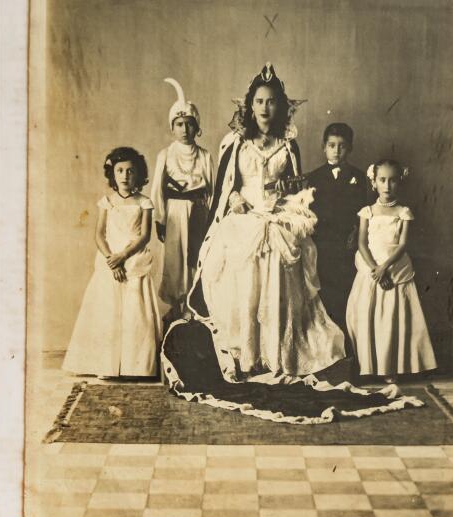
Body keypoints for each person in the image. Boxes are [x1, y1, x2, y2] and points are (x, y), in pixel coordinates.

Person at [186, 63, 346, 383]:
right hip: (244, 216)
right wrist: (234, 201)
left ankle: (275, 353)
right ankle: (246, 354)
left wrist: (287, 198)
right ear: (250, 106)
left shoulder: (288, 144)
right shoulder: (235, 143)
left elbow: (297, 191)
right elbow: (225, 188)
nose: (264, 108)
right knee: (244, 261)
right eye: (259, 101)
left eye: (271, 101)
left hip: (276, 213)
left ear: (280, 107)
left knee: (279, 251)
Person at [62, 146, 161, 378]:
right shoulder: (107, 202)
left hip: (133, 256)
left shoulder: (144, 202)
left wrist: (123, 257)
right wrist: (111, 260)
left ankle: (135, 366)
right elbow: (99, 235)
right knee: (108, 311)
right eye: (120, 170)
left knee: (135, 312)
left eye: (130, 171)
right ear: (112, 174)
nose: (125, 175)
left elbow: (145, 235)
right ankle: (105, 365)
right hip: (110, 259)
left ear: (138, 174)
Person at [346, 158, 437, 380]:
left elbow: (403, 244)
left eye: (393, 180)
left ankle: (389, 368)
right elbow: (361, 243)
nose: (387, 186)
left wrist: (385, 267)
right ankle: (368, 365)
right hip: (371, 268)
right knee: (366, 315)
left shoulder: (403, 212)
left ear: (400, 183)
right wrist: (375, 269)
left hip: (394, 267)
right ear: (374, 182)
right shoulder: (367, 211)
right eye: (382, 180)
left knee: (391, 318)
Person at [151, 78, 214, 325]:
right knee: (175, 259)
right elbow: (157, 190)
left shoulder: (205, 156)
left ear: (196, 127)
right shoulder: (165, 155)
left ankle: (192, 307)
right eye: (179, 124)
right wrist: (161, 218)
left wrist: (209, 218)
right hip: (175, 212)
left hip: (198, 212)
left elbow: (211, 189)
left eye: (189, 124)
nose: (184, 130)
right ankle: (177, 306)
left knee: (195, 258)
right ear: (172, 128)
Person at [305, 122, 372, 338]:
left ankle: (349, 340)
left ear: (350, 148)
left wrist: (355, 232)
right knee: (323, 292)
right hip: (321, 244)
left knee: (348, 291)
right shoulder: (312, 178)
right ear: (324, 147)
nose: (336, 150)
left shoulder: (360, 178)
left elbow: (365, 209)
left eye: (342, 145)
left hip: (348, 243)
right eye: (332, 145)